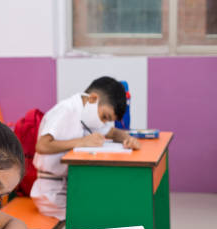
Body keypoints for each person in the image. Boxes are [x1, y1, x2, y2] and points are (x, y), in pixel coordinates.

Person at [30, 76, 142, 220]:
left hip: (70, 185)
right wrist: (82, 142)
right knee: (94, 216)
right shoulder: (66, 109)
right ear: (93, 98)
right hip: (50, 193)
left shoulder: (90, 115)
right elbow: (42, 145)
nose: (104, 122)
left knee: (110, 203)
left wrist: (128, 139)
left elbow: (112, 132)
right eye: (105, 117)